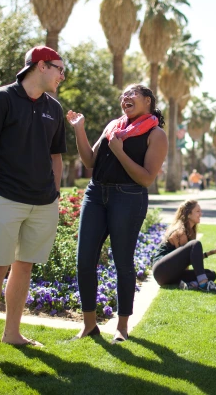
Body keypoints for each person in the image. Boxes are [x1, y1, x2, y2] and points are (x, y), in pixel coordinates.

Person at [0, 46, 67, 364]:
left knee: (23, 267)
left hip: (42, 202)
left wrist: (55, 192)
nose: (62, 75)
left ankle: (12, 332)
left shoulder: (55, 107)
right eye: (58, 69)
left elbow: (56, 156)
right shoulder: (2, 98)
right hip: (5, 199)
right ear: (40, 66)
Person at [67, 84, 168, 343]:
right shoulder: (114, 127)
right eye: (123, 95)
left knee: (123, 261)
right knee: (84, 260)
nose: (126, 98)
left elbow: (146, 178)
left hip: (129, 197)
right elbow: (90, 161)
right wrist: (79, 128)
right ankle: (89, 325)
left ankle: (122, 327)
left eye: (132, 94)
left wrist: (120, 153)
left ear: (148, 101)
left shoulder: (156, 135)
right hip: (95, 195)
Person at [152, 200, 216, 290]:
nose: (200, 214)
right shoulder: (181, 232)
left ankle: (192, 284)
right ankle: (203, 284)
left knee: (211, 274)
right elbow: (184, 263)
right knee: (195, 244)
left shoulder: (190, 231)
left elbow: (190, 259)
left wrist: (210, 253)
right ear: (188, 214)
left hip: (171, 274)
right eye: (197, 211)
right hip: (161, 270)